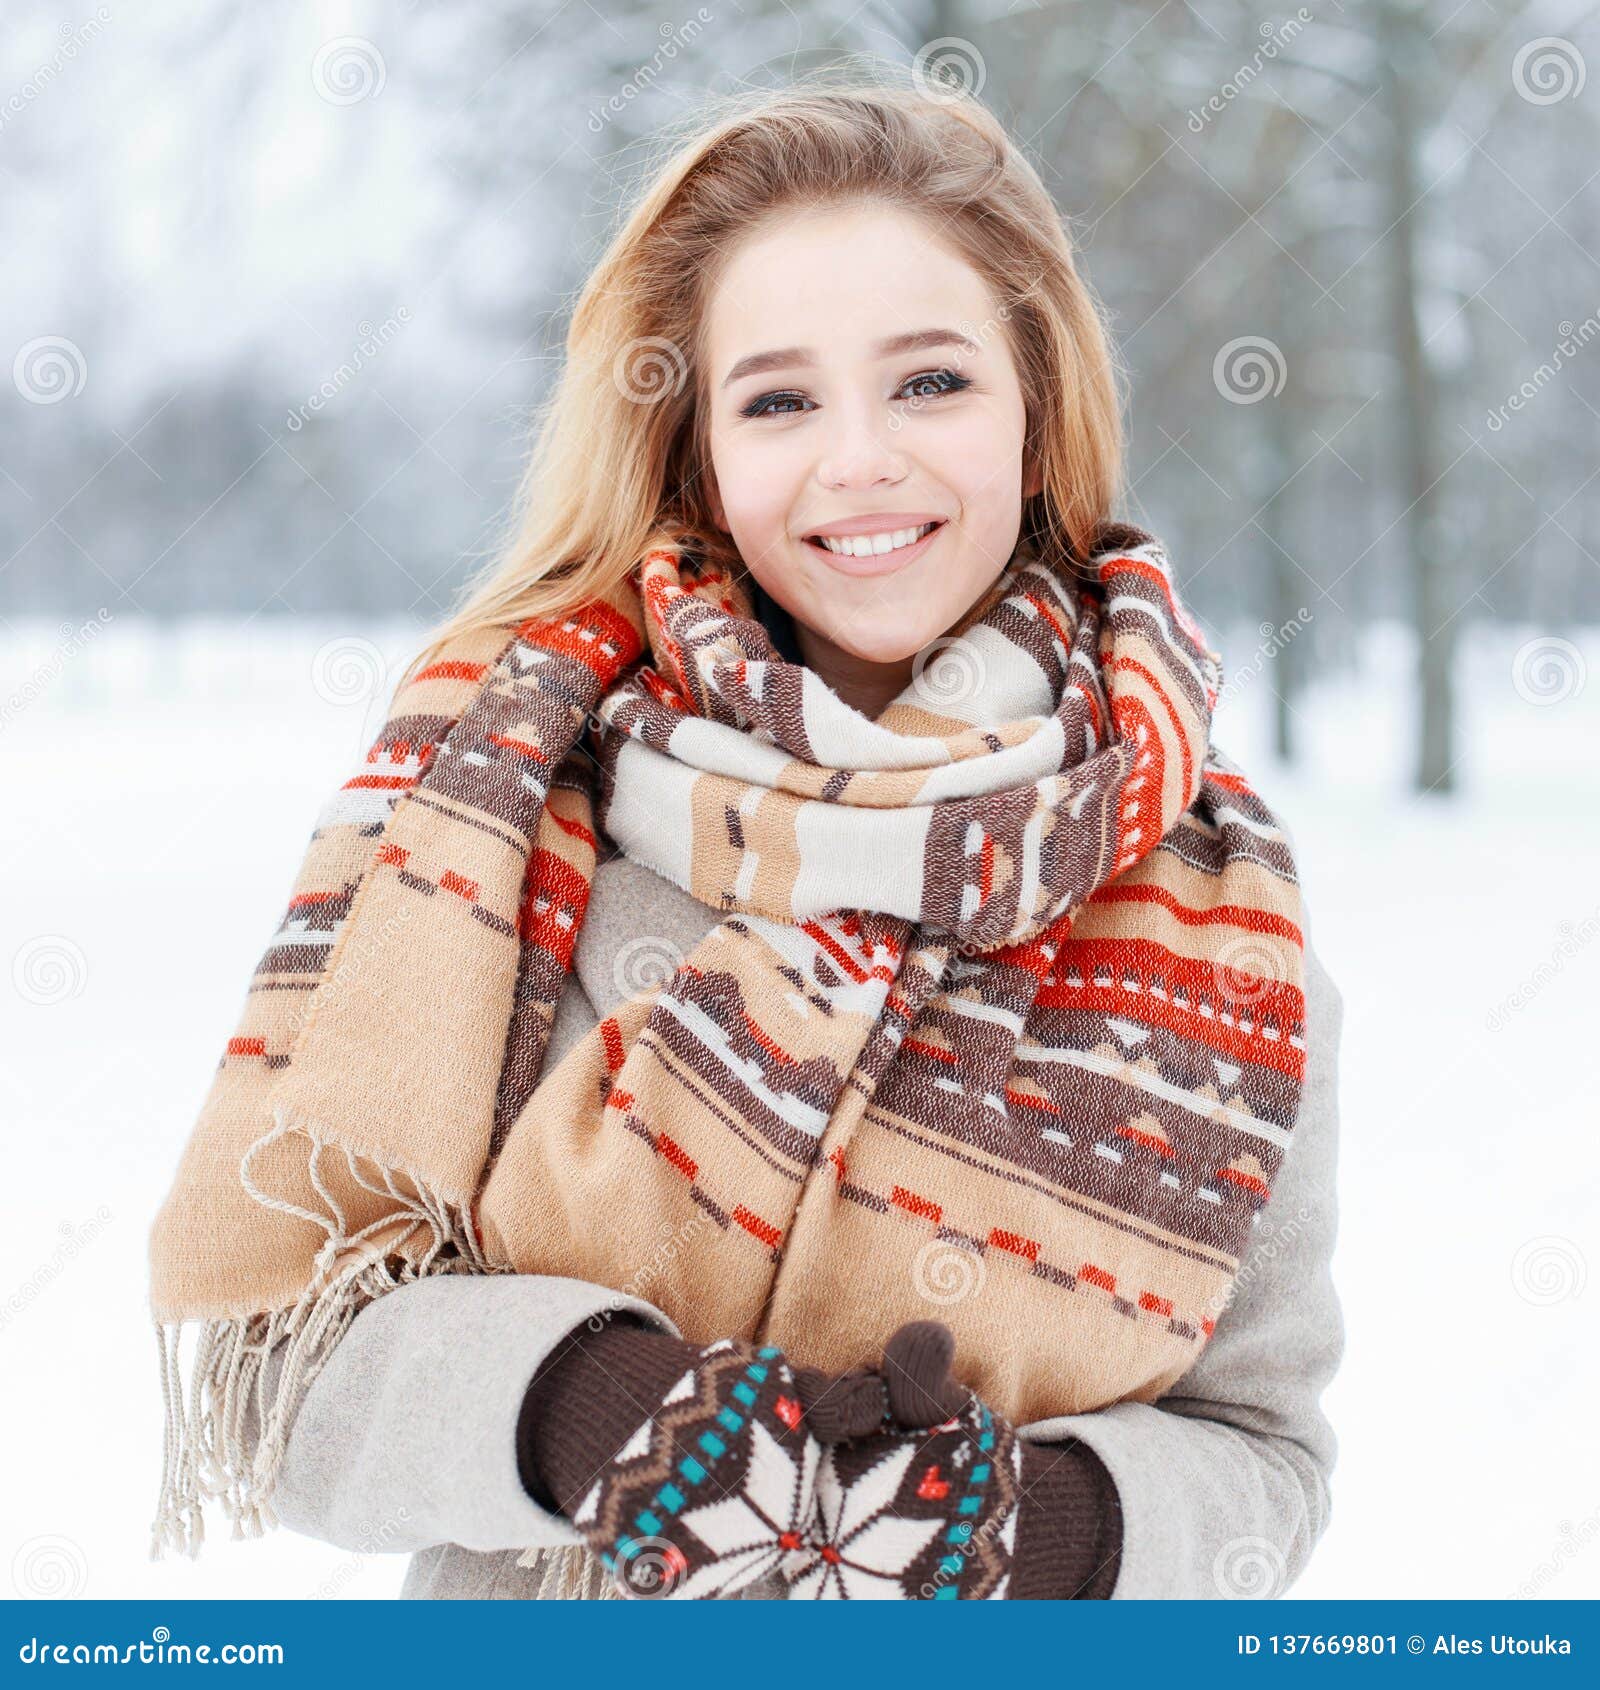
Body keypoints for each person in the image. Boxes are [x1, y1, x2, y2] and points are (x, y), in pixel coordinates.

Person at [147, 71, 1346, 1602]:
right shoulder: (508, 814)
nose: (859, 459)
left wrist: (1024, 1529)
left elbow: (1264, 1457)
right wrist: (590, 1413)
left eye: (930, 383)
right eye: (779, 399)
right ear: (698, 449)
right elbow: (287, 1353)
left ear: (1038, 420)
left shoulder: (1220, 922)